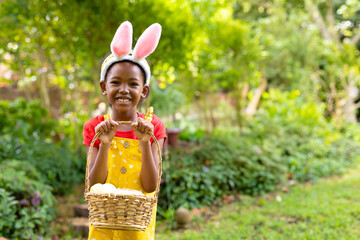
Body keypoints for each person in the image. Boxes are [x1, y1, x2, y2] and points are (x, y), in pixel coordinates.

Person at [82, 21, 166, 240]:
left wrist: (145, 142)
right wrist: (106, 143)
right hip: (103, 228)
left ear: (144, 90)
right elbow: (95, 186)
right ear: (104, 87)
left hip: (137, 230)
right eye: (116, 82)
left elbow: (149, 187)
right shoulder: (95, 127)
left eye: (133, 84)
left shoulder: (153, 126)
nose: (124, 90)